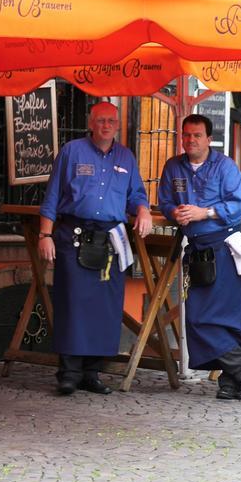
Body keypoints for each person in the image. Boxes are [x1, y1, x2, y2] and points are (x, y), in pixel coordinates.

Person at [39, 101, 152, 395]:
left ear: (117, 126)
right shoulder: (72, 151)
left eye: (111, 121)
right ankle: (69, 373)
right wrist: (44, 235)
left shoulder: (126, 157)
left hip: (110, 243)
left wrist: (143, 210)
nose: (106, 125)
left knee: (105, 308)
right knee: (72, 304)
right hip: (73, 237)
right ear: (91, 123)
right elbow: (52, 195)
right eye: (100, 120)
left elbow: (136, 193)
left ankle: (92, 373)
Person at [158, 114, 241, 401]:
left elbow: (240, 206)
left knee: (230, 317)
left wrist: (206, 212)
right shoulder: (173, 167)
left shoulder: (225, 166)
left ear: (209, 139)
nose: (190, 140)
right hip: (196, 251)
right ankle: (240, 366)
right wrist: (172, 213)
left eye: (197, 135)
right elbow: (165, 201)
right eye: (186, 135)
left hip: (224, 249)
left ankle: (232, 378)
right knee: (198, 318)